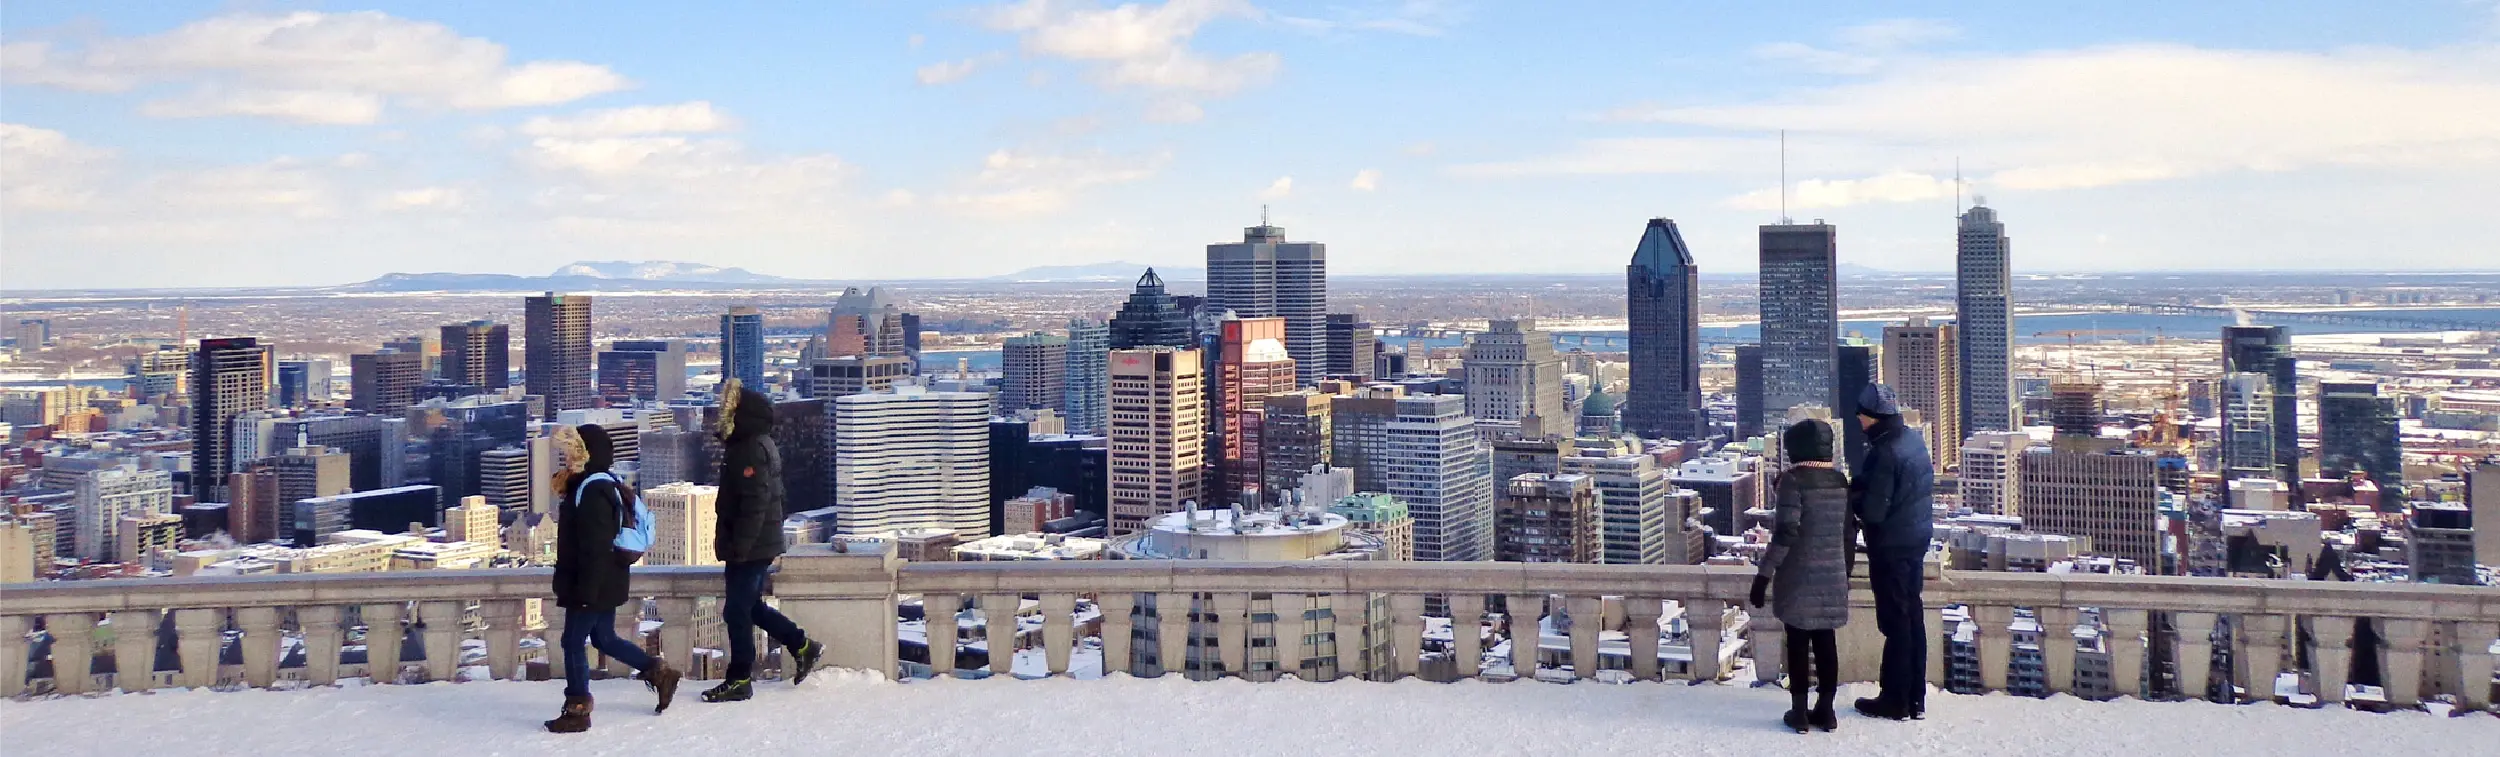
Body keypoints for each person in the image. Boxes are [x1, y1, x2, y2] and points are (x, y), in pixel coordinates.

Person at [545, 424, 680, 733]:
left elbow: (594, 546)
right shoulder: (602, 483)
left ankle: (577, 708)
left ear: (584, 453)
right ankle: (658, 672)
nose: (565, 458)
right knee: (604, 638)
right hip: (608, 579)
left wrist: (584, 592)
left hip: (593, 582)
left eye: (570, 451)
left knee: (572, 640)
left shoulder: (591, 491)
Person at [702, 380, 824, 703]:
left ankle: (740, 677)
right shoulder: (754, 442)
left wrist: (740, 545)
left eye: (726, 411)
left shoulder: (750, 448)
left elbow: (755, 502)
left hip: (751, 546)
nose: (721, 416)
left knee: (736, 611)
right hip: (756, 542)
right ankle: (802, 645)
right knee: (750, 607)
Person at [1751, 420, 1851, 733]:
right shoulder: (1839, 480)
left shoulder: (1792, 482)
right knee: (1825, 641)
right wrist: (1843, 571)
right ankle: (1826, 710)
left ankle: (1799, 713)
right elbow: (1849, 533)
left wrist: (1763, 575)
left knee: (1797, 642)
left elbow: (1785, 534)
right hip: (1834, 574)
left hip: (1798, 575)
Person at [1848, 383, 1934, 721]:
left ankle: (1895, 700)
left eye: (1861, 415)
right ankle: (1916, 698)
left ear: (1869, 418)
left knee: (1896, 622)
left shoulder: (1885, 453)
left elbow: (1874, 511)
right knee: (1912, 617)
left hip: (1892, 546)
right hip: (1915, 538)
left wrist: (1852, 498)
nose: (1858, 419)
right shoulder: (1912, 439)